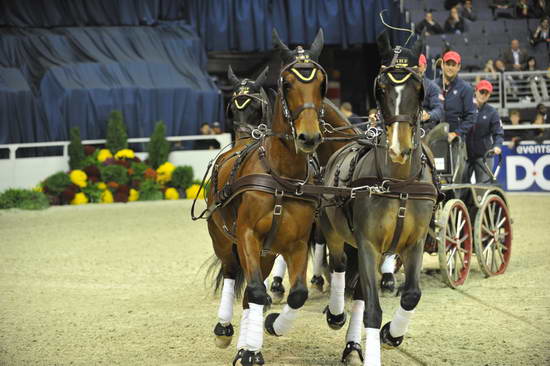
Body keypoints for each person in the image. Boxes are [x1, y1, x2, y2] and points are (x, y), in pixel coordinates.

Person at [465, 80, 504, 184]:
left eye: (486, 93)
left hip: (484, 155)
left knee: (483, 186)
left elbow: (498, 132)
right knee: (461, 186)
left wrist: (497, 145)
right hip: (465, 154)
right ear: (476, 91)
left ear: (489, 95)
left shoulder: (492, 112)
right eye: (482, 92)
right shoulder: (465, 108)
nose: (483, 95)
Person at [435, 51, 477, 143]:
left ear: (458, 67)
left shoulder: (466, 88)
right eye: (448, 64)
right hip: (433, 138)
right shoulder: (432, 86)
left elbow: (471, 117)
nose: (450, 68)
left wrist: (456, 133)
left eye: (453, 65)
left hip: (455, 141)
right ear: (442, 65)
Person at [418, 54, 444, 132]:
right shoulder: (403, 86)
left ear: (425, 67)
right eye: (413, 66)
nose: (415, 69)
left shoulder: (432, 87)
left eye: (418, 66)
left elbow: (439, 110)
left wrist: (428, 115)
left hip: (424, 129)